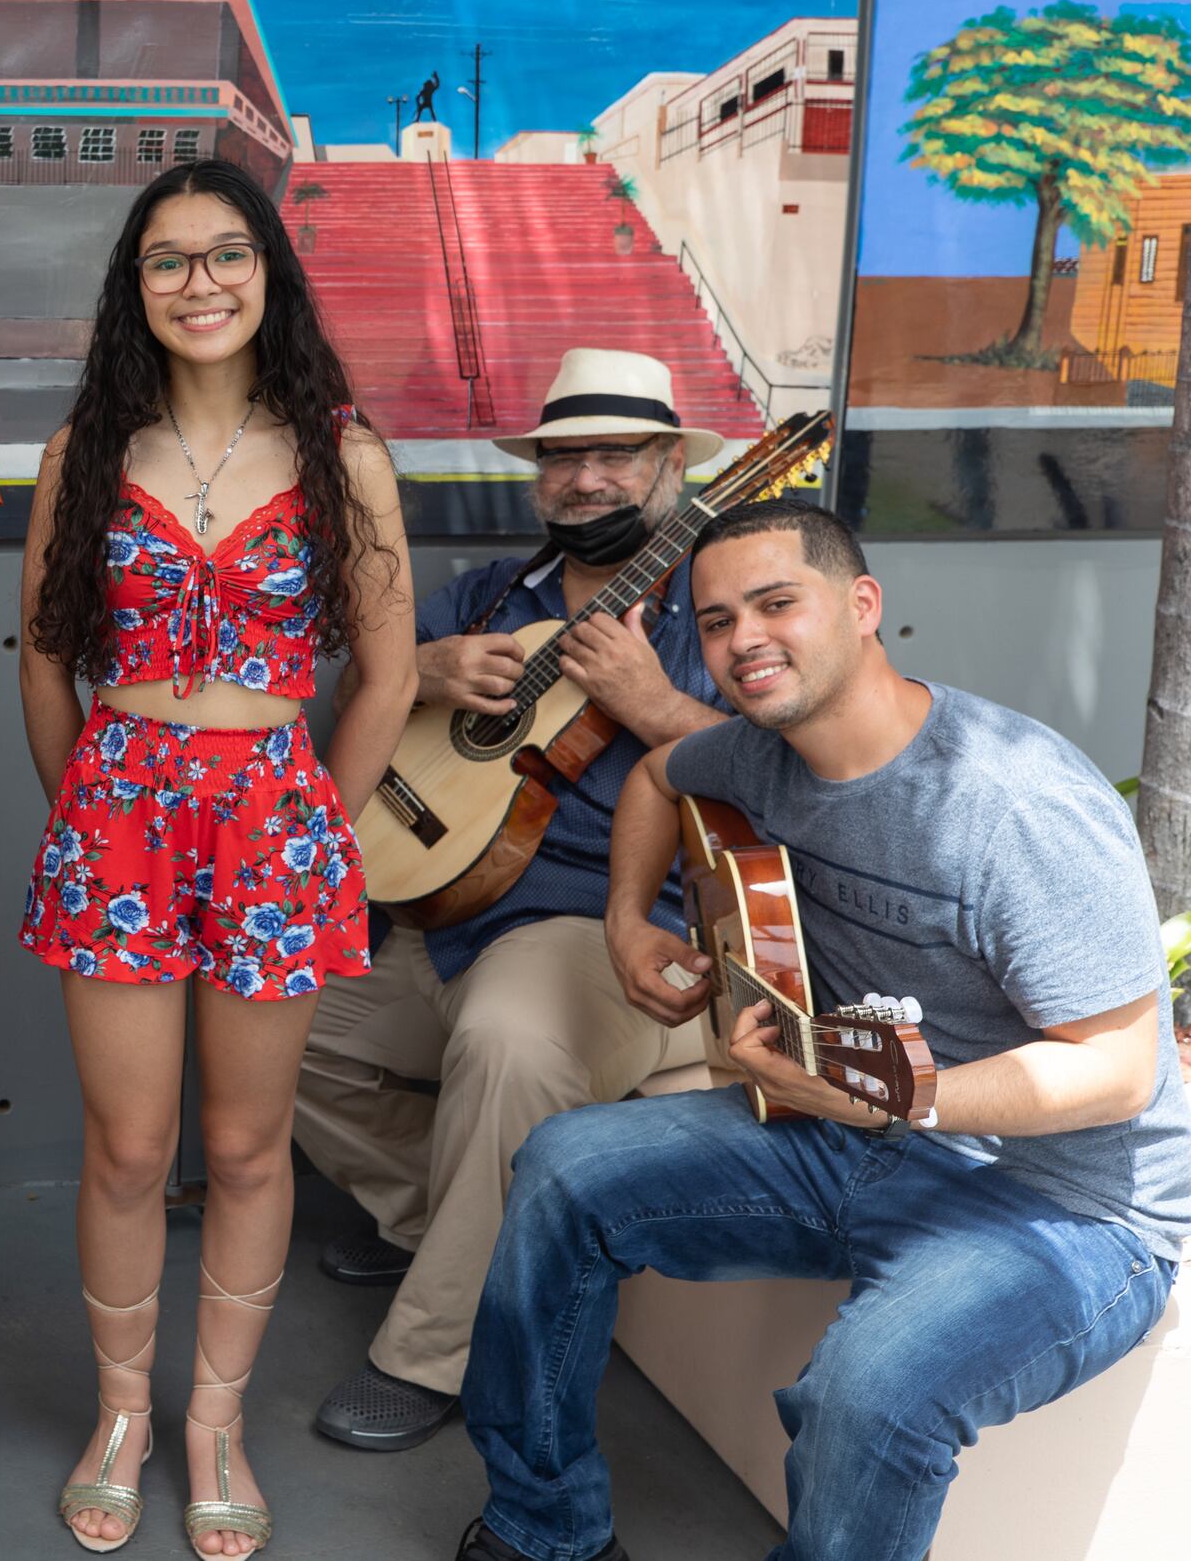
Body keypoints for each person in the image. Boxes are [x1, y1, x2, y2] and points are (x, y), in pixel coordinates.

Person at [456, 497, 1191, 1561]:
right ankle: (543, 1528)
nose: (742, 638)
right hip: (851, 1134)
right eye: (715, 621)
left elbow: (1121, 1071)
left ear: (861, 606)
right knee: (564, 1167)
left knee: (870, 1388)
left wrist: (894, 1096)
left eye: (774, 603)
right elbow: (663, 773)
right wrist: (625, 919)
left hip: (1066, 1205)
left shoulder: (1012, 801)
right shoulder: (764, 755)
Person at [17, 158, 418, 1556]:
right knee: (130, 1144)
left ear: (271, 275)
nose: (201, 283)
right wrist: (88, 808)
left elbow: (384, 669)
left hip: (276, 818)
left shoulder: (339, 452)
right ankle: (124, 1410)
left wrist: (310, 812)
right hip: (116, 811)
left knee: (247, 1145)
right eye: (168, 260)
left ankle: (215, 1419)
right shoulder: (87, 451)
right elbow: (49, 656)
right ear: (136, 288)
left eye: (227, 254)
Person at [294, 347, 727, 1452]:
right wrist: (418, 675)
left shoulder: (719, 613)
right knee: (272, 1011)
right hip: (442, 916)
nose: (586, 477)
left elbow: (797, 767)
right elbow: (351, 703)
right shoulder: (486, 595)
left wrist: (659, 706)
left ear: (671, 462)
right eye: (563, 455)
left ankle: (435, 1351)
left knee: (507, 1040)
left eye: (615, 454)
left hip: (607, 924)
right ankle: (438, 1222)